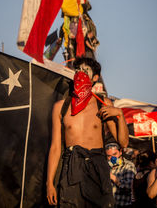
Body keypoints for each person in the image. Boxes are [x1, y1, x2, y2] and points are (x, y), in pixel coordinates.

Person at [46, 57, 129, 207]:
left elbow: (123, 142)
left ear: (95, 78)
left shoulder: (103, 104)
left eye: (86, 71)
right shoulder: (60, 106)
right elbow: (55, 148)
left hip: (98, 167)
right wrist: (49, 183)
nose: (81, 74)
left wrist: (120, 115)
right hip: (71, 167)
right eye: (78, 71)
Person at [105, 142, 136, 208]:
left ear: (120, 152)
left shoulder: (128, 166)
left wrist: (114, 178)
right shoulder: (105, 166)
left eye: (114, 154)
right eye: (109, 156)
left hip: (124, 205)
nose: (112, 158)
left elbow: (129, 187)